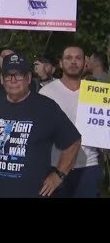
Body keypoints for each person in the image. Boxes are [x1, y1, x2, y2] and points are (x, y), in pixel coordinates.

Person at [0, 53, 81, 198]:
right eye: (8, 75)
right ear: (1, 79)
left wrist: (58, 175)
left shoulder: (46, 107)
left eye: (19, 75)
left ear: (29, 78)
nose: (13, 80)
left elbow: (73, 141)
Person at [39, 45, 102, 198]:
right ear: (61, 63)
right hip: (54, 166)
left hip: (88, 166)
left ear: (85, 63)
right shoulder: (46, 92)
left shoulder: (98, 93)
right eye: (68, 58)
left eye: (78, 58)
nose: (73, 62)